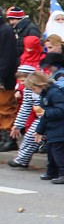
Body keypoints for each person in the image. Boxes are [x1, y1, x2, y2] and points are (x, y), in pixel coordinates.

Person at [26, 69, 64, 184]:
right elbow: (44, 116)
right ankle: (52, 171)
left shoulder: (54, 92)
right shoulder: (46, 94)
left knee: (57, 150)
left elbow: (62, 110)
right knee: (51, 150)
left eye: (34, 89)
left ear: (40, 84)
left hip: (63, 127)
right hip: (55, 127)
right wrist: (39, 130)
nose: (34, 92)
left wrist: (46, 113)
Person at [0, 15, 17, 151]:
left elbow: (7, 57)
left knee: (6, 108)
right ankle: (3, 136)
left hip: (5, 77)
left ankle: (9, 138)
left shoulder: (5, 30)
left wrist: (1, 76)